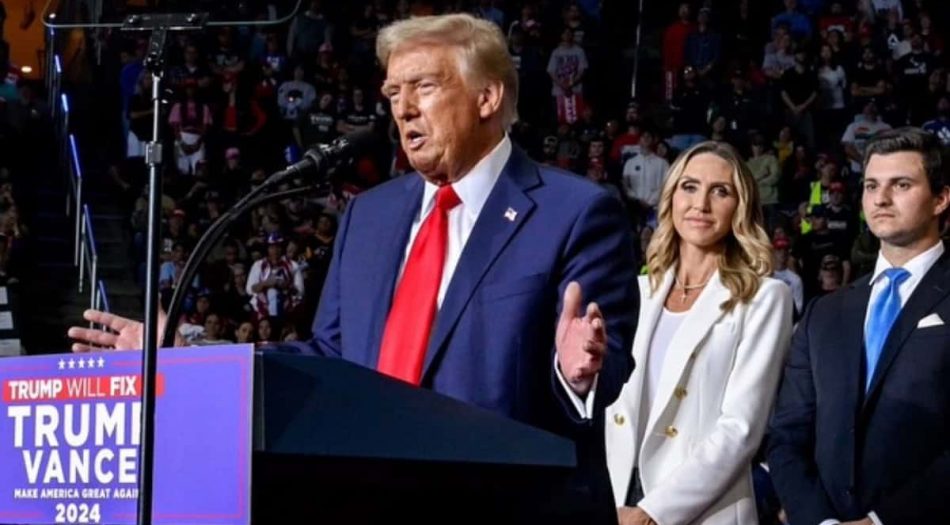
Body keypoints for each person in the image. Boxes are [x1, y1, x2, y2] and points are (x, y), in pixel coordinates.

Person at [68, 12, 638, 515]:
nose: (403, 109)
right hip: (371, 502)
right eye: (393, 93)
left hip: (510, 506)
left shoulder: (575, 212)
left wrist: (575, 374)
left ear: (487, 97)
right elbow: (330, 358)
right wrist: (195, 357)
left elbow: (598, 371)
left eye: (424, 87)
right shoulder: (370, 214)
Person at [558, 141, 793, 524]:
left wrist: (653, 512)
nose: (701, 204)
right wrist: (580, 380)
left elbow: (741, 428)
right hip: (613, 500)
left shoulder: (765, 298)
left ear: (741, 207)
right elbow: (603, 410)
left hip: (700, 511)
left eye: (720, 191)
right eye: (690, 187)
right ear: (670, 198)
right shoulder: (637, 291)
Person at [768, 127, 950, 524]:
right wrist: (820, 520)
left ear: (940, 199)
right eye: (871, 186)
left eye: (901, 184)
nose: (881, 199)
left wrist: (880, 520)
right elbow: (787, 436)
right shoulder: (824, 313)